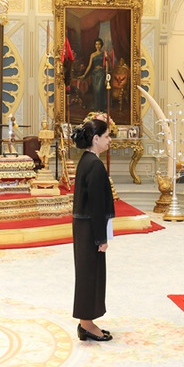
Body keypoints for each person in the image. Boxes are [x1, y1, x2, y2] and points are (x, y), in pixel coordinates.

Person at [71, 117, 115, 341]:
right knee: (90, 275)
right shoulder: (95, 164)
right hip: (90, 228)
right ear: (96, 139)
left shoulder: (86, 160)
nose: (109, 140)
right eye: (107, 136)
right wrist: (101, 238)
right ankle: (86, 324)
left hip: (85, 226)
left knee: (88, 273)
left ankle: (86, 322)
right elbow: (97, 205)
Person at [80, 37, 107, 112]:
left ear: (101, 45)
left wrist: (107, 76)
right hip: (94, 75)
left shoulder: (104, 54)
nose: (97, 46)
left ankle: (101, 108)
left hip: (101, 74)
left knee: (99, 90)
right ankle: (97, 107)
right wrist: (84, 75)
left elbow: (107, 65)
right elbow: (89, 66)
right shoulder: (92, 54)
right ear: (95, 45)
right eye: (96, 44)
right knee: (95, 91)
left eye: (99, 44)